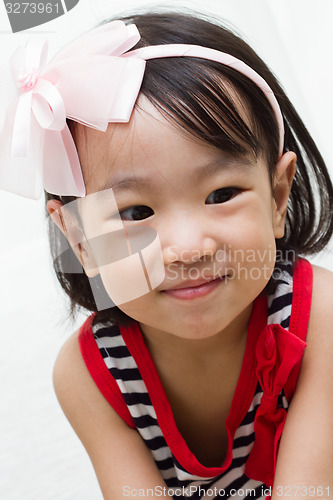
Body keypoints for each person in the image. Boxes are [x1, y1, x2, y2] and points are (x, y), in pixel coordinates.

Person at [1, 11, 333, 500]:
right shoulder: (92, 376)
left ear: (278, 197)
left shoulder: (318, 318)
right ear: (79, 240)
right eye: (135, 211)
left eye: (221, 195)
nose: (187, 248)